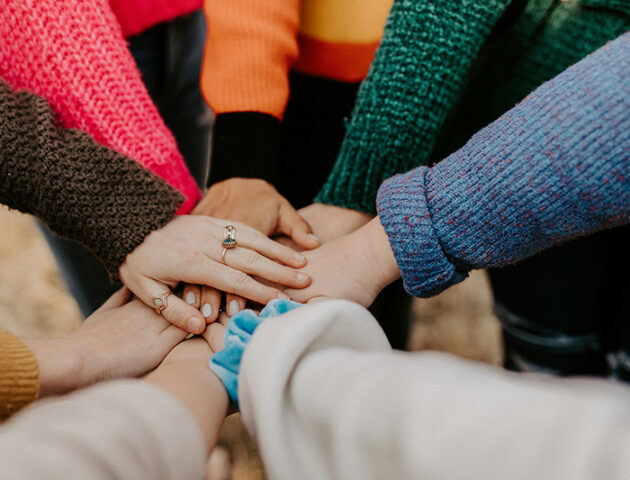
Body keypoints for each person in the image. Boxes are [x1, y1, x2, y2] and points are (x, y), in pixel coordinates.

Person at [0, 77, 310, 334]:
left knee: (192, 254)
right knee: (139, 324)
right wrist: (118, 212)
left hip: (184, 27)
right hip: (58, 87)